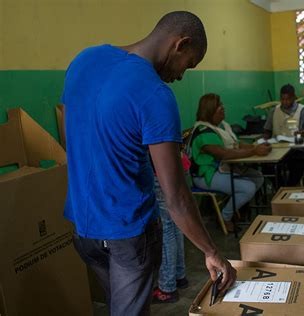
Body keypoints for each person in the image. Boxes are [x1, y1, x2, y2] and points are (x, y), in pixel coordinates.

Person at [62, 11, 236, 315]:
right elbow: (176, 198)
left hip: (84, 228)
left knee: (118, 305)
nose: (182, 75)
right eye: (189, 64)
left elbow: (68, 122)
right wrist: (211, 252)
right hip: (128, 234)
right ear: (180, 44)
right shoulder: (156, 95)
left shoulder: (84, 60)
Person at [190, 94, 271, 233]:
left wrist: (257, 148)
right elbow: (224, 154)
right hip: (206, 175)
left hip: (221, 170)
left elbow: (236, 145)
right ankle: (225, 217)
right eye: (218, 106)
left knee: (257, 177)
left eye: (222, 105)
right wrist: (254, 151)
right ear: (209, 110)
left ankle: (239, 209)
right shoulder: (203, 131)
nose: (223, 108)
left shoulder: (220, 127)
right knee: (248, 188)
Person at [151, 154, 189, 303]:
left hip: (160, 170)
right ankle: (179, 276)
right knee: (176, 223)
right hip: (179, 164)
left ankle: (167, 288)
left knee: (166, 227)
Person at [263, 84, 304, 186]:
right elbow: (267, 131)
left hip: (295, 149)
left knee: (297, 164)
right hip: (277, 148)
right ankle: (281, 188)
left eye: (288, 99)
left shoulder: (302, 110)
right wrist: (264, 139)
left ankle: (289, 188)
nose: (285, 102)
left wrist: (303, 132)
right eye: (282, 99)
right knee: (266, 167)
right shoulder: (274, 111)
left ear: (294, 97)